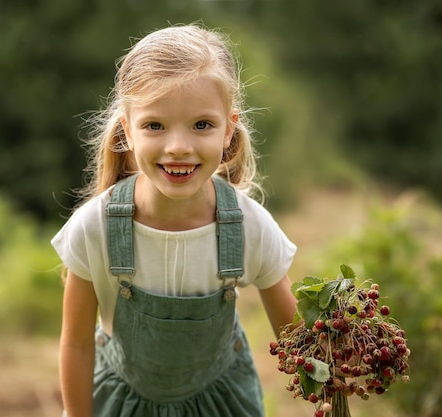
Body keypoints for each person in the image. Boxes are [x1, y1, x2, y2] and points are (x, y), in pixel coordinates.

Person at [51, 23, 297, 417]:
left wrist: (337, 363)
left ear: (229, 128)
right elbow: (76, 344)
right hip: (122, 405)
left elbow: (297, 340)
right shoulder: (94, 228)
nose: (178, 147)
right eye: (155, 125)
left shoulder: (249, 226)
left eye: (202, 125)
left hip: (221, 404)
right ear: (127, 130)